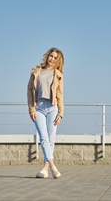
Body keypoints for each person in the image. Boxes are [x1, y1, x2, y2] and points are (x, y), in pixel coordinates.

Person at [27, 47, 64, 179]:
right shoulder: (36, 72)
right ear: (47, 56)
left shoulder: (58, 74)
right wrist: (31, 109)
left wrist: (60, 113)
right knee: (43, 137)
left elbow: (60, 95)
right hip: (39, 107)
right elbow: (29, 91)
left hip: (53, 107)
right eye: (51, 56)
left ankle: (45, 168)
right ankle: (53, 166)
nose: (52, 59)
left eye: (55, 57)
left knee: (51, 138)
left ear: (57, 60)